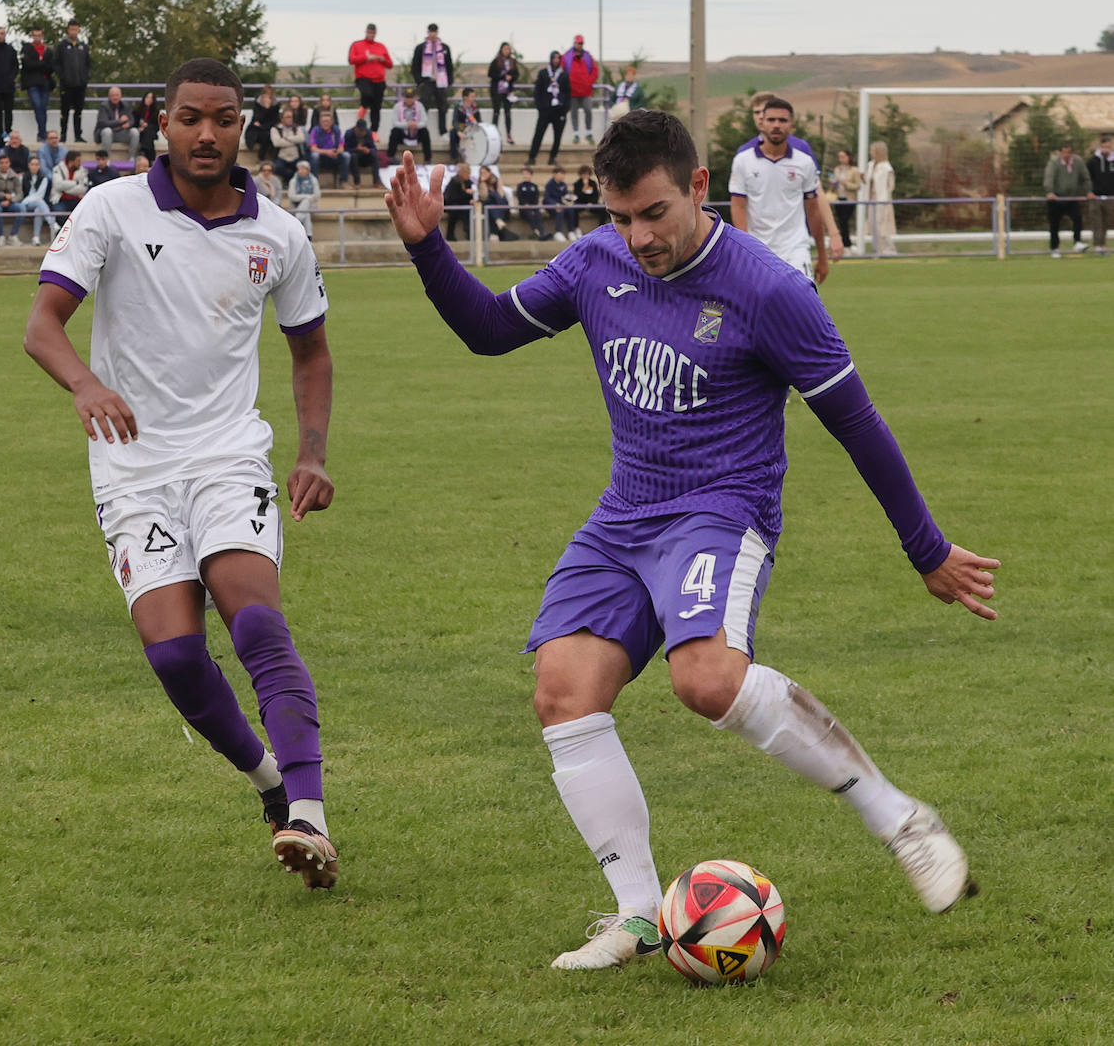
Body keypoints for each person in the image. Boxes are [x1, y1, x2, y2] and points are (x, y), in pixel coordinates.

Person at [381, 109, 996, 970]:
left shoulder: (771, 290)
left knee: (704, 680)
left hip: (721, 509)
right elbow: (489, 331)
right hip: (625, 513)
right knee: (563, 691)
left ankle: (899, 818)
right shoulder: (596, 261)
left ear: (700, 189)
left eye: (655, 214)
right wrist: (425, 248)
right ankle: (636, 915)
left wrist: (925, 548)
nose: (638, 237)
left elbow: (857, 423)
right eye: (622, 216)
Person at [24, 56, 339, 889]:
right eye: (192, 118)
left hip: (229, 454)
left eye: (225, 119)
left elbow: (310, 349)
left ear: (244, 126)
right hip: (132, 468)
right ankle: (269, 786)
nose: (208, 134)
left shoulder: (279, 232)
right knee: (173, 658)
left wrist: (310, 452)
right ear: (162, 125)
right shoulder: (111, 210)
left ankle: (310, 812)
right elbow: (42, 325)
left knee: (258, 625)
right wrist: (86, 383)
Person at [729, 96, 830, 283]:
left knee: (802, 309)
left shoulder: (804, 162)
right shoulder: (743, 161)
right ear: (762, 124)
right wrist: (745, 249)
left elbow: (813, 209)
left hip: (796, 250)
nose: (776, 125)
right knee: (759, 310)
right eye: (771, 120)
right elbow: (738, 207)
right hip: (758, 252)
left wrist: (822, 256)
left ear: (791, 125)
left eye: (782, 120)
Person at [741, 91, 844, 262]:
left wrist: (833, 233)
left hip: (794, 244)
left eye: (763, 112)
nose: (760, 117)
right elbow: (740, 206)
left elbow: (817, 193)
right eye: (756, 112)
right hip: (759, 244)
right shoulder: (744, 154)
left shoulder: (800, 149)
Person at [1043, 142, 1094, 258]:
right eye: (1065, 152)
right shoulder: (1054, 163)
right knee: (1054, 225)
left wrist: (1089, 191)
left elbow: (1085, 178)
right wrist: (1050, 192)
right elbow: (1049, 178)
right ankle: (1054, 248)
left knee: (1078, 219)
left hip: (1072, 198)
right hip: (1056, 199)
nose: (1067, 155)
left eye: (1069, 152)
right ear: (1060, 152)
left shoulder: (1078, 162)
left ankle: (1077, 242)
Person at [348, 23, 392, 134]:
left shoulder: (381, 46)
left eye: (373, 33)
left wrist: (382, 59)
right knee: (368, 95)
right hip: (363, 78)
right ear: (366, 32)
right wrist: (366, 57)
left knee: (376, 107)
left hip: (379, 80)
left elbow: (390, 64)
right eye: (369, 32)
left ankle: (374, 131)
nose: (371, 34)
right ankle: (362, 111)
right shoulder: (357, 45)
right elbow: (351, 60)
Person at [527, 51, 570, 167]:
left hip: (559, 110)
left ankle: (553, 157)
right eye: (554, 58)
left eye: (558, 58)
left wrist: (565, 109)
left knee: (557, 136)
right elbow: (538, 91)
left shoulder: (564, 74)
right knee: (539, 134)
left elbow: (567, 92)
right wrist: (540, 106)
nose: (556, 60)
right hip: (545, 110)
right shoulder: (543, 73)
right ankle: (532, 157)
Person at [411, 23, 454, 136]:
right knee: (424, 105)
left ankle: (443, 131)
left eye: (435, 31)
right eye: (431, 31)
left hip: (441, 82)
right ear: (428, 32)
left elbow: (449, 65)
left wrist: (449, 81)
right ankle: (421, 130)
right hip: (427, 81)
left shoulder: (444, 48)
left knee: (443, 106)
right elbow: (415, 65)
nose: (433, 34)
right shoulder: (421, 48)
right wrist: (419, 81)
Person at [54, 20, 92, 143]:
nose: (73, 32)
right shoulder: (62, 45)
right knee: (64, 111)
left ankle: (78, 135)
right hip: (66, 85)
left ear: (79, 30)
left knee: (78, 111)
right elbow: (56, 63)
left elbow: (88, 63)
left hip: (80, 85)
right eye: (71, 29)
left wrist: (85, 77)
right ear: (68, 30)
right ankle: (63, 135)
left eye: (76, 29)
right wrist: (63, 77)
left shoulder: (83, 46)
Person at [861, 139, 897, 257]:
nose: (870, 153)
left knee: (881, 225)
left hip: (882, 199)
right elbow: (868, 181)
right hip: (871, 199)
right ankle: (878, 249)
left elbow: (890, 185)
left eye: (872, 150)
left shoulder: (886, 167)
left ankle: (888, 249)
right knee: (872, 224)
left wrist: (886, 198)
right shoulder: (870, 165)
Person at [20, 27, 55, 143]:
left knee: (43, 107)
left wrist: (39, 65)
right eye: (35, 35)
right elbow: (27, 65)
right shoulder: (27, 48)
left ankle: (42, 133)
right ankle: (42, 132)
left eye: (39, 35)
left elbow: (51, 66)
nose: (37, 38)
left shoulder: (47, 50)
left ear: (42, 36)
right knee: (38, 105)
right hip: (32, 83)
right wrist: (41, 64)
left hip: (45, 82)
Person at [562, 34, 597, 144]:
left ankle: (588, 133)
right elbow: (563, 71)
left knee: (588, 110)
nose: (580, 45)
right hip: (572, 91)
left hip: (586, 91)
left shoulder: (587, 56)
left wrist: (588, 81)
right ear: (574, 43)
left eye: (581, 43)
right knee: (574, 113)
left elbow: (595, 70)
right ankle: (576, 134)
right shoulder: (567, 56)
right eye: (578, 43)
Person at [387, 88, 432, 165]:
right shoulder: (397, 106)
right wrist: (407, 125)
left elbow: (424, 121)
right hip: (403, 133)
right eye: (407, 97)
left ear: (414, 98)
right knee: (394, 132)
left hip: (416, 132)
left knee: (425, 132)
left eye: (411, 97)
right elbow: (395, 123)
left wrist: (416, 125)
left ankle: (428, 159)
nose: (409, 100)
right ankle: (390, 157)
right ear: (404, 98)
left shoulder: (420, 106)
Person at [487, 42, 520, 144]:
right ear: (501, 50)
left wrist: (511, 78)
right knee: (496, 113)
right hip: (497, 90)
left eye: (508, 49)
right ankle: (494, 135)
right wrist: (502, 77)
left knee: (507, 113)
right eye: (505, 49)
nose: (507, 51)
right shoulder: (496, 61)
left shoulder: (512, 62)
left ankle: (509, 135)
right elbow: (490, 74)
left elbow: (516, 74)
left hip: (507, 91)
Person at [829, 150, 862, 250]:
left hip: (849, 199)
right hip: (838, 198)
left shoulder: (854, 170)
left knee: (844, 220)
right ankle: (842, 243)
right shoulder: (837, 169)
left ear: (848, 157)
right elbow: (833, 182)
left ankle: (847, 244)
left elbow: (858, 185)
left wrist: (846, 184)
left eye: (843, 157)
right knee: (840, 221)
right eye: (839, 157)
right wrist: (833, 185)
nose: (841, 159)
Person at [1087, 134, 1114, 256]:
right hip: (1096, 197)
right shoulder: (1092, 161)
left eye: (1108, 147)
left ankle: (1103, 245)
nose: (1106, 149)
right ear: (1100, 147)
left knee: (1106, 222)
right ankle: (1097, 246)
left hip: (1110, 198)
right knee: (1097, 222)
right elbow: (1086, 178)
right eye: (1104, 147)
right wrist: (1089, 191)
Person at [0, 152, 25, 244]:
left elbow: (20, 194)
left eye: (6, 162)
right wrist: (4, 196)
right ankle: (1, 236)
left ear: (9, 164)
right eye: (2, 163)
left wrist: (10, 200)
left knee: (22, 208)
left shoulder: (14, 176)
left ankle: (13, 235)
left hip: (11, 203)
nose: (4, 165)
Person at [95, 87, 140, 159]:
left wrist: (128, 124)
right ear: (109, 97)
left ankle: (132, 158)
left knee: (135, 131)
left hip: (120, 133)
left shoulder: (125, 105)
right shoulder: (103, 106)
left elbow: (132, 119)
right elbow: (103, 123)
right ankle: (106, 159)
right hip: (106, 135)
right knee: (107, 131)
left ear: (120, 96)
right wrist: (119, 121)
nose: (115, 97)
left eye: (117, 95)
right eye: (113, 95)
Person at [307, 113, 350, 187]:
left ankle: (344, 181)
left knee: (346, 155)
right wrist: (327, 152)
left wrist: (336, 152)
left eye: (327, 121)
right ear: (320, 122)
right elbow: (313, 149)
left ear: (331, 122)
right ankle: (315, 183)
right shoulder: (315, 130)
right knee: (314, 156)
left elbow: (341, 147)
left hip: (334, 156)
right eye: (323, 121)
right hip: (321, 157)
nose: (325, 123)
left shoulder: (336, 130)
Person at [21, 154, 54, 245]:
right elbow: (21, 193)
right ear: (28, 165)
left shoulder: (44, 179)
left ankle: (36, 237)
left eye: (36, 164)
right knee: (39, 203)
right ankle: (51, 223)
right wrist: (25, 201)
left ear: (39, 166)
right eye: (32, 164)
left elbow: (40, 195)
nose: (34, 167)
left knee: (39, 209)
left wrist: (28, 200)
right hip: (25, 205)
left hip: (37, 203)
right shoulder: (23, 177)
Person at [51, 148, 89, 223]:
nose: (80, 163)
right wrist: (76, 183)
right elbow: (58, 186)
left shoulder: (83, 171)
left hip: (76, 200)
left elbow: (83, 188)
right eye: (78, 161)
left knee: (86, 213)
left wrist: (64, 188)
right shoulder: (57, 169)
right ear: (71, 161)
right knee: (60, 215)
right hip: (60, 200)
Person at [270, 107, 307, 183]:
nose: (291, 119)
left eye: (292, 117)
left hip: (296, 157)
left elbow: (302, 138)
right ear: (282, 119)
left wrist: (286, 138)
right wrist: (294, 140)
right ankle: (289, 180)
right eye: (288, 117)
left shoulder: (296, 128)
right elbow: (277, 143)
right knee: (277, 168)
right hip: (282, 158)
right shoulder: (275, 129)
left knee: (304, 167)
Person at [477, 165, 515, 239]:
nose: (483, 175)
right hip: (488, 206)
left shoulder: (496, 181)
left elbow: (500, 196)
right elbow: (484, 197)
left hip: (499, 204)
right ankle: (498, 223)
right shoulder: (481, 183)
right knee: (490, 208)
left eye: (485, 173)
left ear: (489, 173)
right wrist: (483, 183)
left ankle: (494, 233)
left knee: (493, 208)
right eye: (482, 173)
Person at [245, 85, 280, 160]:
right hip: (256, 128)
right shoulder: (258, 103)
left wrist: (268, 108)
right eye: (265, 93)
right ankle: (261, 157)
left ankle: (269, 157)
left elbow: (274, 120)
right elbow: (256, 119)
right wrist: (265, 108)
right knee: (262, 135)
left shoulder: (275, 105)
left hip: (269, 127)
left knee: (269, 136)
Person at [543, 163, 577, 240]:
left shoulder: (564, 185)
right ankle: (558, 232)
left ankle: (571, 231)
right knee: (560, 211)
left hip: (561, 204)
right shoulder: (549, 185)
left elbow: (566, 196)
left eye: (563, 174)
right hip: (551, 206)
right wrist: (555, 204)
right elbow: (546, 198)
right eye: (560, 174)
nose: (562, 176)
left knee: (571, 210)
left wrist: (569, 201)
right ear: (554, 174)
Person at [442, 162, 474, 241]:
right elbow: (452, 197)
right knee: (454, 212)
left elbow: (467, 197)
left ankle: (469, 232)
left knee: (467, 210)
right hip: (451, 203)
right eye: (467, 173)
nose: (469, 175)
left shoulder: (468, 182)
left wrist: (470, 198)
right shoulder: (454, 181)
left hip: (462, 204)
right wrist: (466, 193)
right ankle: (450, 235)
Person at [288, 159, 320, 237]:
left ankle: (297, 222)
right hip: (296, 206)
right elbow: (292, 196)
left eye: (303, 169)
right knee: (306, 212)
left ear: (308, 170)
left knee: (306, 203)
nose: (301, 171)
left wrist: (305, 198)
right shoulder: (293, 181)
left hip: (312, 206)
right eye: (300, 169)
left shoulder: (313, 180)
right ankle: (309, 236)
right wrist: (307, 196)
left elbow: (317, 195)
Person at [343, 119, 377, 188]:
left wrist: (368, 150)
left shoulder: (368, 133)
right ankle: (357, 182)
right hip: (354, 157)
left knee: (374, 156)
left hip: (365, 156)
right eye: (360, 131)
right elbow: (345, 149)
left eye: (363, 131)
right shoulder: (349, 133)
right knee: (353, 156)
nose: (362, 132)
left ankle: (376, 182)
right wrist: (356, 149)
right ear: (356, 128)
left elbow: (374, 148)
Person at [449, 88, 479, 164]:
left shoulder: (475, 108)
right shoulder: (459, 107)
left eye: (474, 96)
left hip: (472, 128)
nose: (474, 98)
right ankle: (455, 158)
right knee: (453, 133)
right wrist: (459, 131)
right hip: (461, 128)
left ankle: (475, 158)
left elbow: (479, 121)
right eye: (472, 96)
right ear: (465, 97)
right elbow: (455, 121)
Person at [515, 164, 545, 239]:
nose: (525, 176)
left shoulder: (534, 186)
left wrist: (533, 206)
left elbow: (536, 197)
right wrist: (525, 204)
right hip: (523, 208)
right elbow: (520, 197)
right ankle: (536, 230)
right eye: (524, 174)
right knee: (530, 214)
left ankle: (542, 232)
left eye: (527, 174)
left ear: (531, 175)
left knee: (538, 214)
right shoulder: (520, 186)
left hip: (533, 207)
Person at [133, 91, 162, 161]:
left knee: (148, 131)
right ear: (144, 98)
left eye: (151, 98)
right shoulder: (137, 110)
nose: (149, 99)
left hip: (151, 132)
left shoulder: (156, 111)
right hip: (140, 132)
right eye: (147, 97)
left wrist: (147, 125)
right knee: (149, 140)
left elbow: (157, 127)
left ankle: (143, 151)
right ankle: (151, 159)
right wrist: (140, 128)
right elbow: (133, 123)